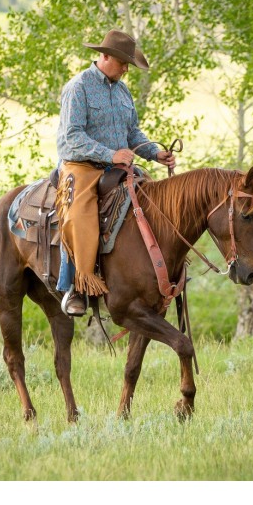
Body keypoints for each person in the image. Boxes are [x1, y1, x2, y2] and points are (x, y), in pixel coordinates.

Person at [55, 29, 176, 316]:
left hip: (120, 167)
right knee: (80, 215)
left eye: (128, 64)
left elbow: (132, 132)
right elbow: (72, 136)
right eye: (122, 62)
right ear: (105, 56)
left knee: (156, 204)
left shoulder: (122, 91)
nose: (125, 68)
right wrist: (110, 154)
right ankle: (75, 286)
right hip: (82, 166)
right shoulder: (79, 87)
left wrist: (154, 153)